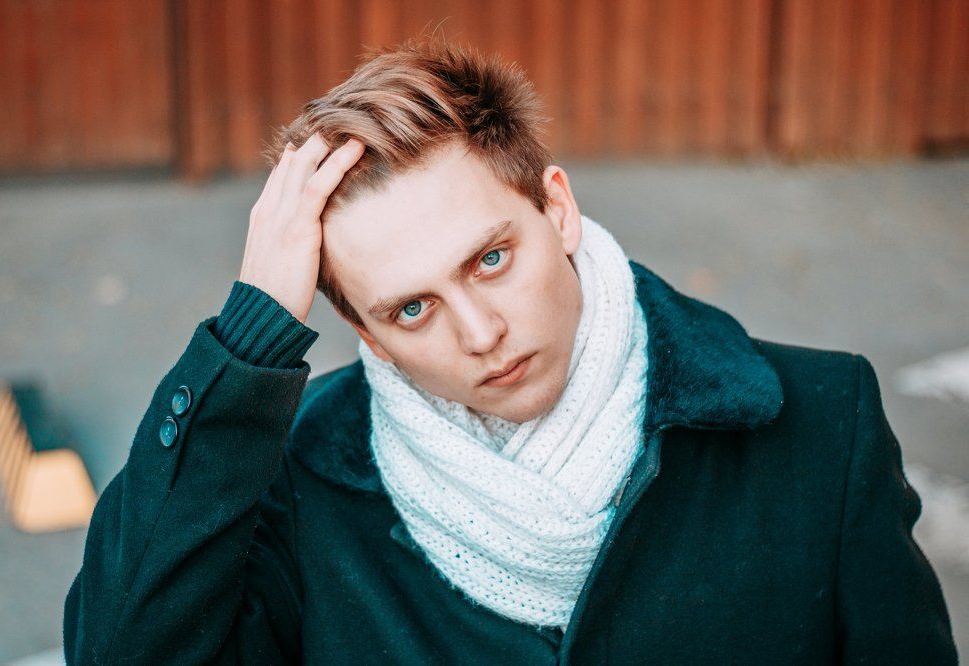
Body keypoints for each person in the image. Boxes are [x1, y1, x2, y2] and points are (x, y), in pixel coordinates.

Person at [62, 37, 958, 664]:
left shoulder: (822, 423)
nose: (480, 332)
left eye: (491, 259)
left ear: (556, 209)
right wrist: (246, 340)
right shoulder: (299, 483)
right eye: (413, 309)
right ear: (368, 336)